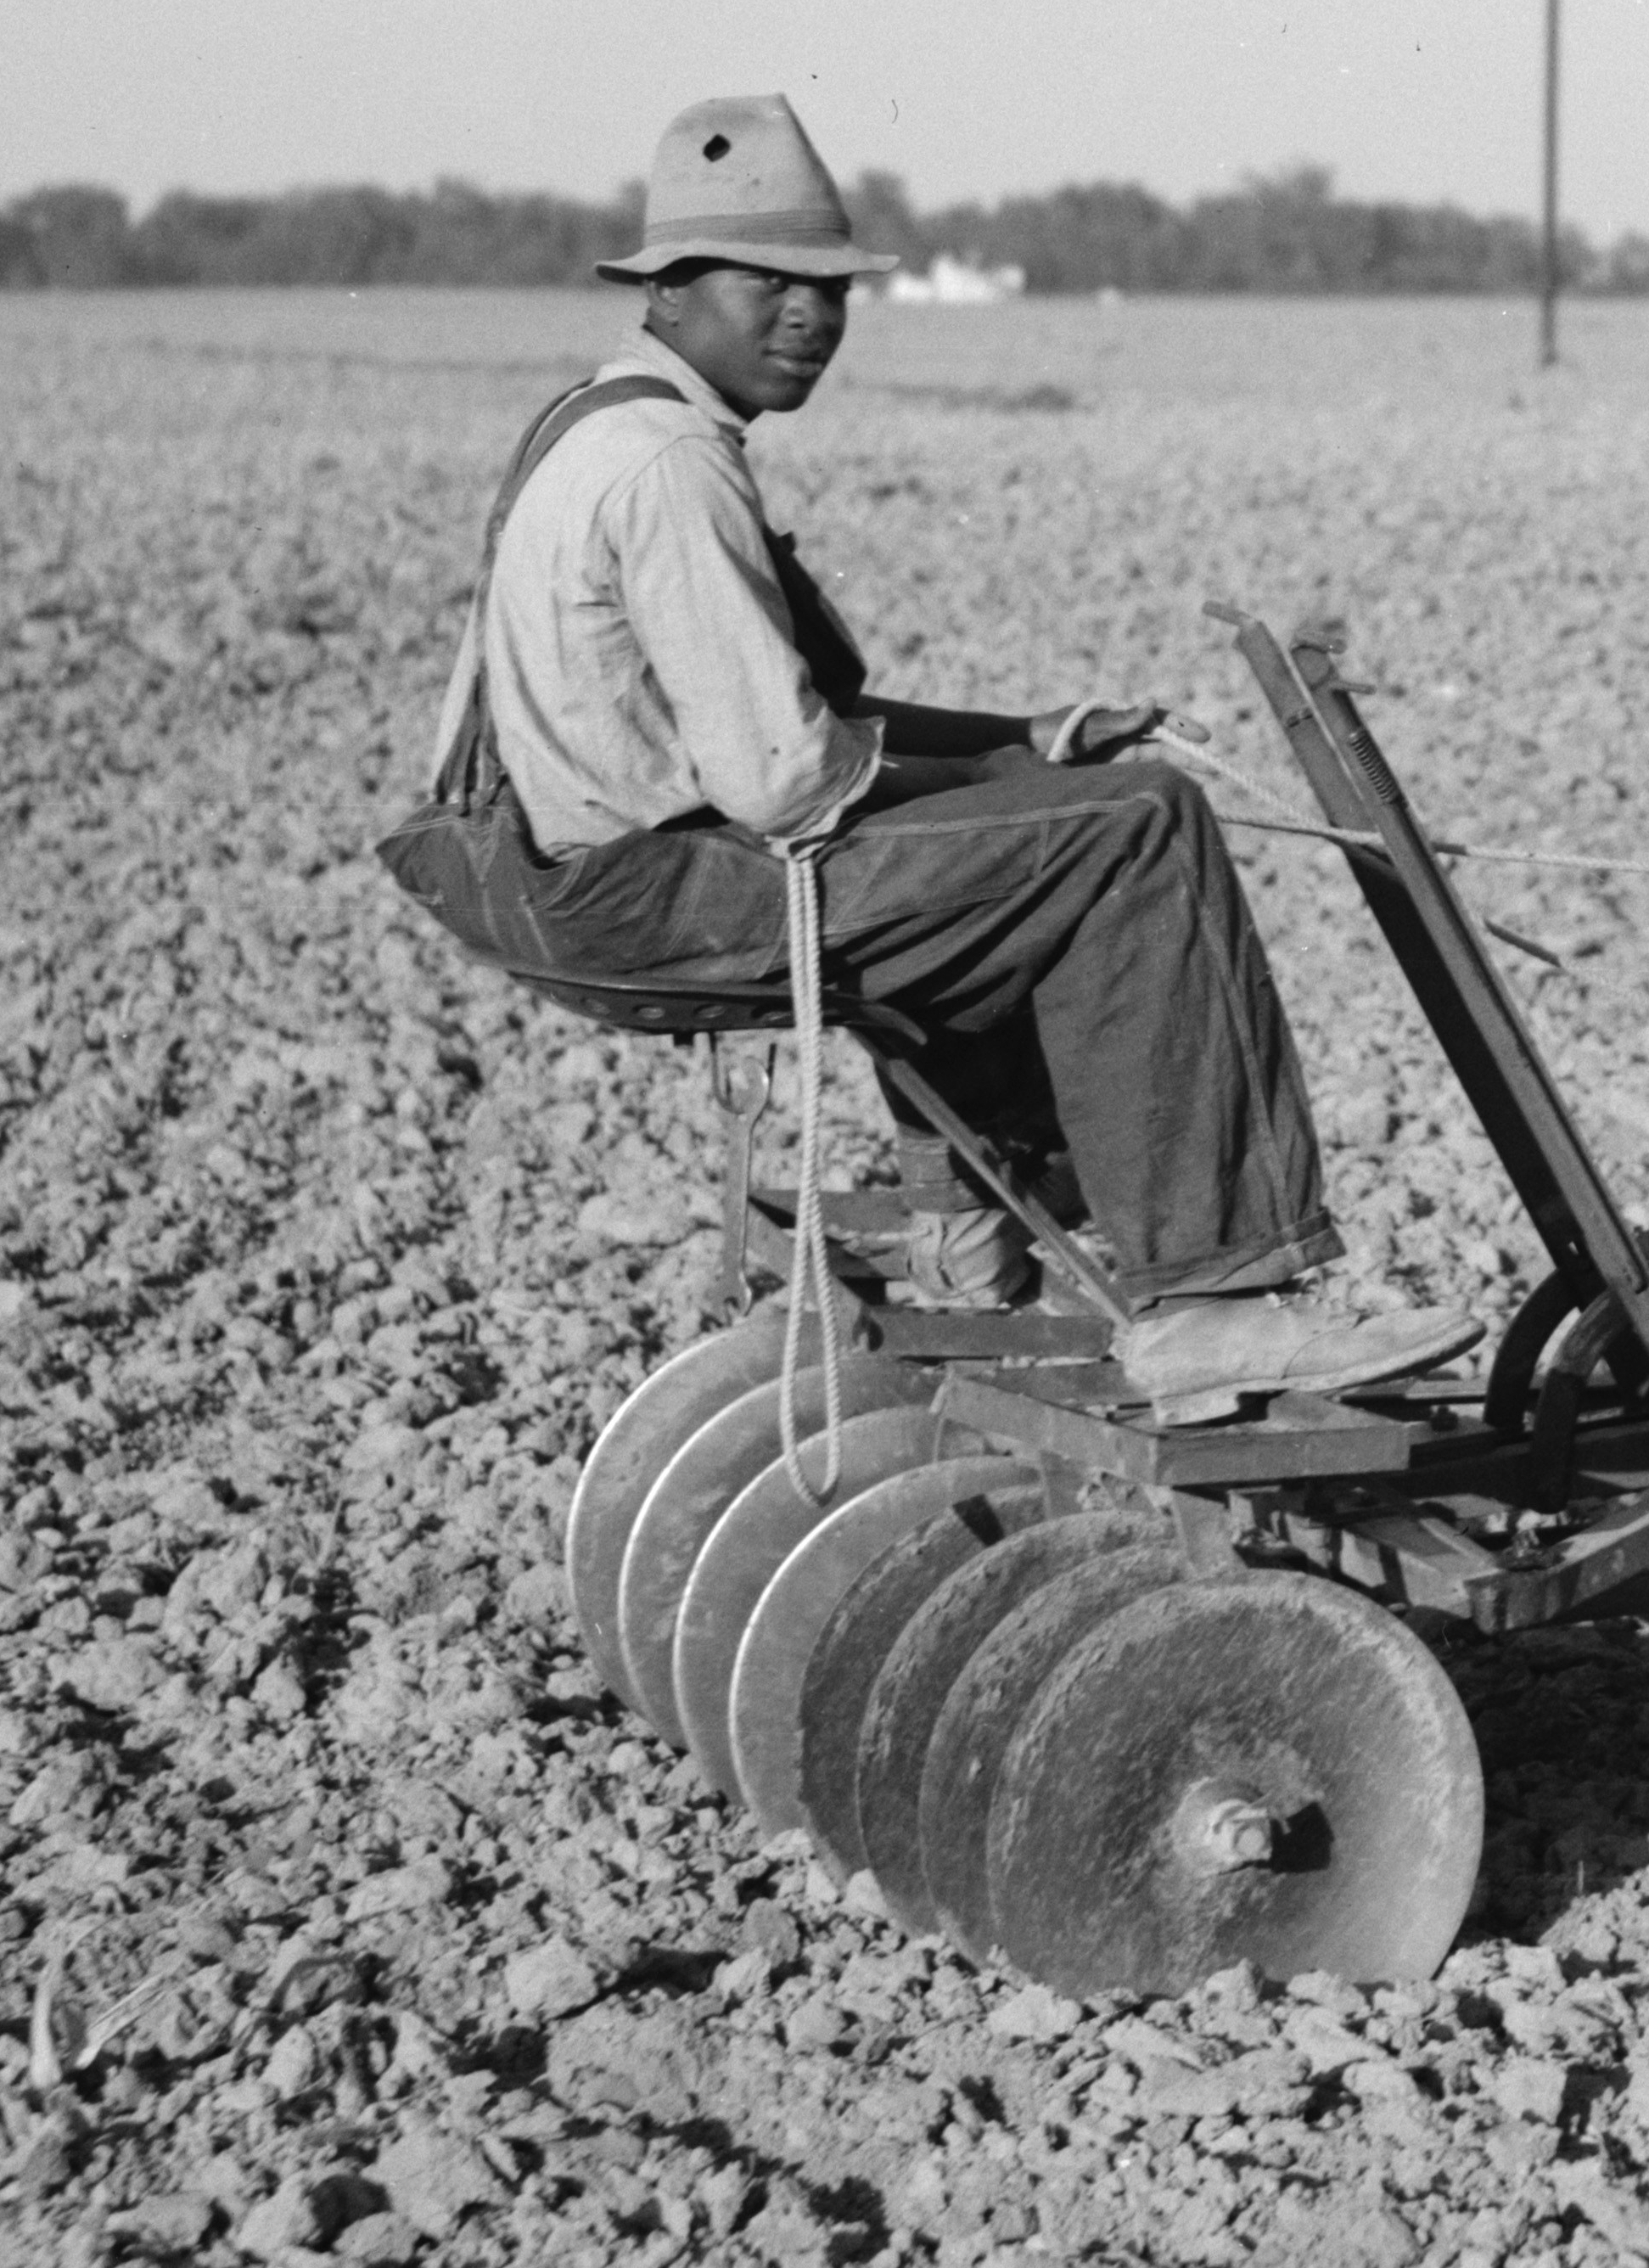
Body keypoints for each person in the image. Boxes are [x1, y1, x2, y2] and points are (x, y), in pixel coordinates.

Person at [375, 91, 1380, 1401]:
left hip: (580, 881)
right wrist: (1025, 781)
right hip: (668, 888)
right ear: (672, 289)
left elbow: (784, 720)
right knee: (1141, 829)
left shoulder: (595, 421)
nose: (811, 316)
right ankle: (1216, 1299)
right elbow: (789, 778)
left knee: (1019, 841)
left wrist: (1026, 742)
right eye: (771, 285)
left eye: (830, 291)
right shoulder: (673, 462)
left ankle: (971, 1229)